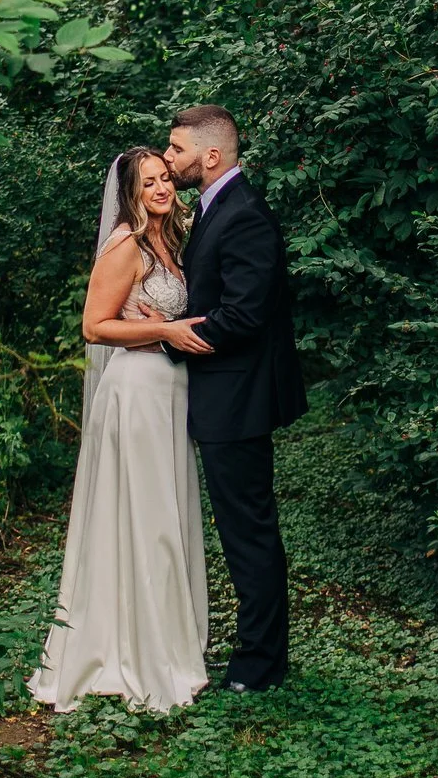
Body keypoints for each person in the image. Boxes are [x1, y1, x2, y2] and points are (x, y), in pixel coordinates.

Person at [28, 147, 214, 713]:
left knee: (168, 513)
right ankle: (136, 650)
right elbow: (94, 326)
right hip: (135, 392)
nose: (161, 189)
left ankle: (172, 641)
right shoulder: (125, 244)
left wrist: (171, 329)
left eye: (165, 179)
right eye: (149, 182)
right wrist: (165, 332)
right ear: (130, 191)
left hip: (169, 392)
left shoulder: (171, 241)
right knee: (144, 517)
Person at [163, 104, 306, 691]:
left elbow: (243, 315)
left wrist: (170, 337)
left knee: (248, 531)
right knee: (241, 528)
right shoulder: (212, 206)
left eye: (177, 149)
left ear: (212, 155)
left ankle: (260, 664)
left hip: (238, 398)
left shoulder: (244, 214)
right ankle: (257, 652)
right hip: (221, 394)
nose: (168, 158)